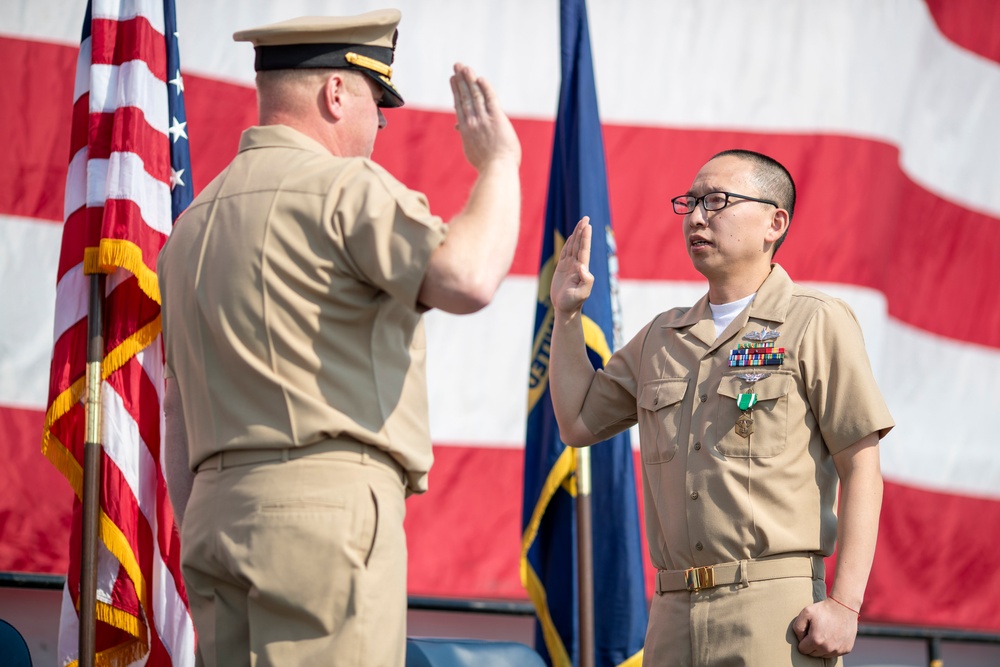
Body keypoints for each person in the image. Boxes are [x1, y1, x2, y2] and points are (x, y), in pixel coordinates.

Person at [157, 8, 521, 666]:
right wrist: (499, 167)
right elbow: (468, 277)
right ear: (335, 93)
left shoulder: (189, 229)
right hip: (323, 519)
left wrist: (218, 516)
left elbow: (173, 409)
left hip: (212, 518)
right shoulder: (343, 186)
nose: (378, 129)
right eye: (377, 108)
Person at [548, 149, 893, 666]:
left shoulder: (814, 321)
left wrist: (844, 604)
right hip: (672, 613)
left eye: (717, 201)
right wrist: (567, 314)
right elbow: (576, 421)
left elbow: (861, 466)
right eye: (690, 203)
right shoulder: (661, 338)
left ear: (775, 223)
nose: (696, 216)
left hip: (773, 612)